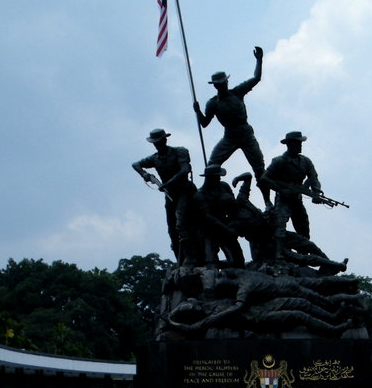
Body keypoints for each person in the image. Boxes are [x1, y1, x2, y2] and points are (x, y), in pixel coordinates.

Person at [194, 47, 271, 208]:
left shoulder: (237, 93)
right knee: (212, 164)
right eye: (219, 84)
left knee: (259, 169)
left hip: (246, 134)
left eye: (224, 83)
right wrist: (198, 112)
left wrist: (259, 60)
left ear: (227, 82)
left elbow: (256, 78)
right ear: (215, 86)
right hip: (229, 136)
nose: (222, 86)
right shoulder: (213, 103)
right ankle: (207, 194)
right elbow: (205, 123)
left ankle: (267, 201)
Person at [132, 129, 199, 264]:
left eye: (159, 142)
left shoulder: (179, 151)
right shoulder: (155, 158)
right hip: (170, 196)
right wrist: (144, 174)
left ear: (165, 140)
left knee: (181, 224)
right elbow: (135, 164)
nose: (158, 145)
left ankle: (191, 258)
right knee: (172, 229)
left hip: (185, 192)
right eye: (155, 143)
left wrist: (167, 183)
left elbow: (185, 170)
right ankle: (180, 261)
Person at [261, 131, 324, 239]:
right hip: (283, 199)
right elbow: (264, 179)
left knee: (303, 228)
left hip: (297, 199)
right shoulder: (279, 161)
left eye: (300, 143)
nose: (300, 146)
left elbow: (313, 178)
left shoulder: (305, 161)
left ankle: (304, 253)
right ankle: (278, 253)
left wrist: (316, 193)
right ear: (290, 144)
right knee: (279, 227)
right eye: (297, 143)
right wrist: (281, 190)